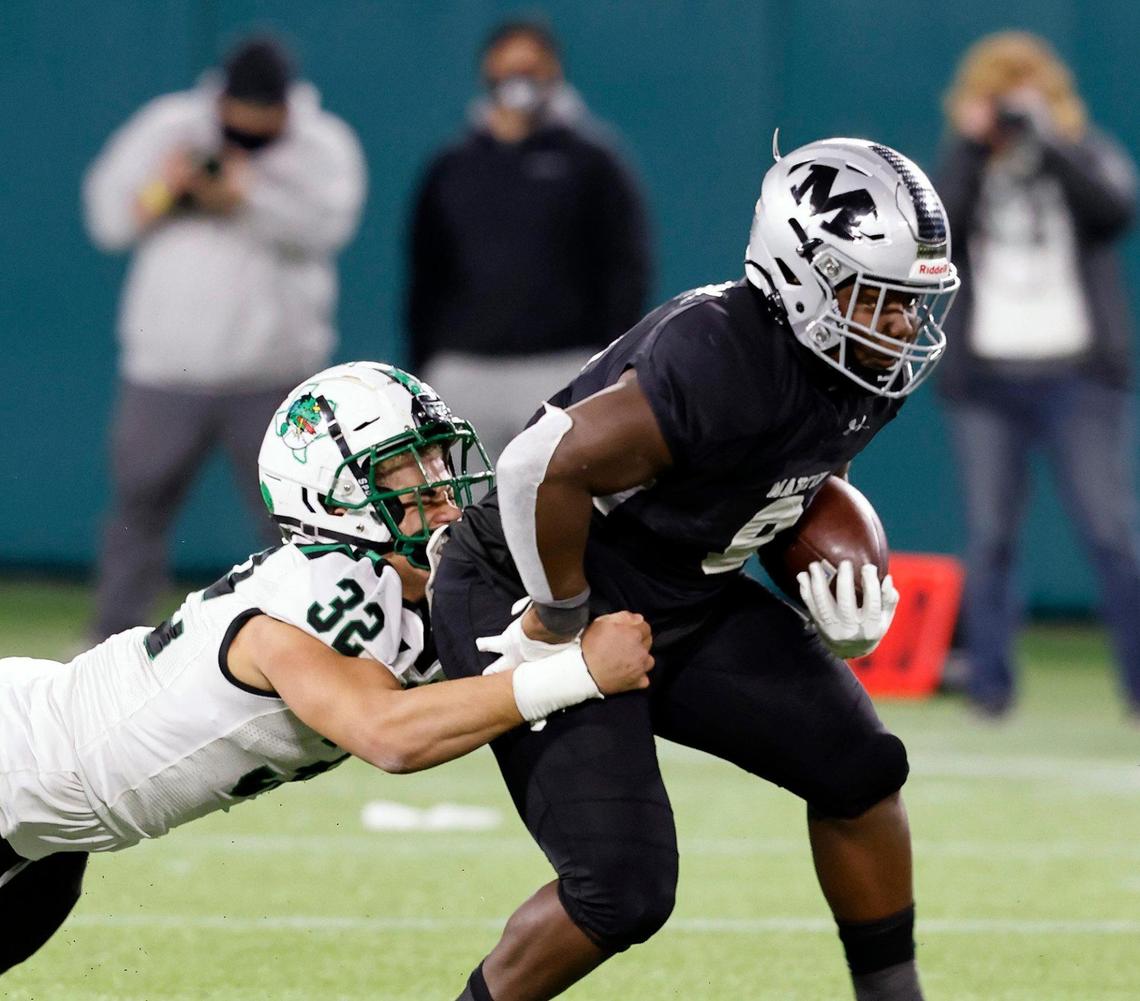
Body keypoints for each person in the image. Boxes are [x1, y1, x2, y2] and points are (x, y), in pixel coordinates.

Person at [430, 138, 960, 1001]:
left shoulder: (861, 362)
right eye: (879, 297)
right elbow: (536, 467)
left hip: (681, 585)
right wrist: (556, 622)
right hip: (534, 574)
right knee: (622, 889)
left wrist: (833, 587)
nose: (901, 324)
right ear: (801, 274)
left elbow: (796, 475)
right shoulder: (718, 353)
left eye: (913, 302)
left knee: (859, 768)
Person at [0, 362, 654, 976]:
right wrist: (581, 673)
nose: (438, 478)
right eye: (406, 463)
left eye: (434, 452)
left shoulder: (402, 583)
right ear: (338, 494)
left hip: (50, 817)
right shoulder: (320, 587)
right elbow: (391, 735)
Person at [82, 36, 367, 641]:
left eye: (258, 136)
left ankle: (316, 642)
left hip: (275, 377)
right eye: (235, 134)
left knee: (301, 522)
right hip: (165, 370)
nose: (244, 144)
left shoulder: (323, 144)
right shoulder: (168, 126)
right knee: (136, 515)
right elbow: (108, 220)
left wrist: (247, 196)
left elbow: (328, 226)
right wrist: (167, 187)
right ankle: (106, 647)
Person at [935, 32, 1140, 718]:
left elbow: (1114, 212)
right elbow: (938, 231)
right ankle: (990, 690)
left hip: (1078, 376)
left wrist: (1046, 141)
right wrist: (974, 145)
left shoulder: (1081, 152)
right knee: (990, 537)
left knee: (1110, 533)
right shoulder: (967, 162)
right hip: (989, 379)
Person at [406, 17, 651, 462]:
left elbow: (625, 267)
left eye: (532, 69)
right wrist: (426, 367)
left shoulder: (593, 163)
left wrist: (608, 364)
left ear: (554, 73)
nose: (519, 82)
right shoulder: (451, 167)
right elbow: (425, 274)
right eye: (509, 69)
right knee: (460, 512)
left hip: (561, 369)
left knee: (561, 509)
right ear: (487, 73)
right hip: (465, 374)